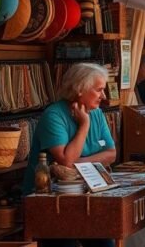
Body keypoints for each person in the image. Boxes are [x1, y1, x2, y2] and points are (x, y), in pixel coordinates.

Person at [24, 63, 117, 247]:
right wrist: (84, 125)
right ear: (80, 89)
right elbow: (66, 160)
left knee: (105, 244)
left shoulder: (97, 113)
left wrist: (79, 163)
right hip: (50, 202)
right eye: (99, 90)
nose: (104, 96)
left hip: (84, 197)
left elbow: (111, 154)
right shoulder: (54, 115)